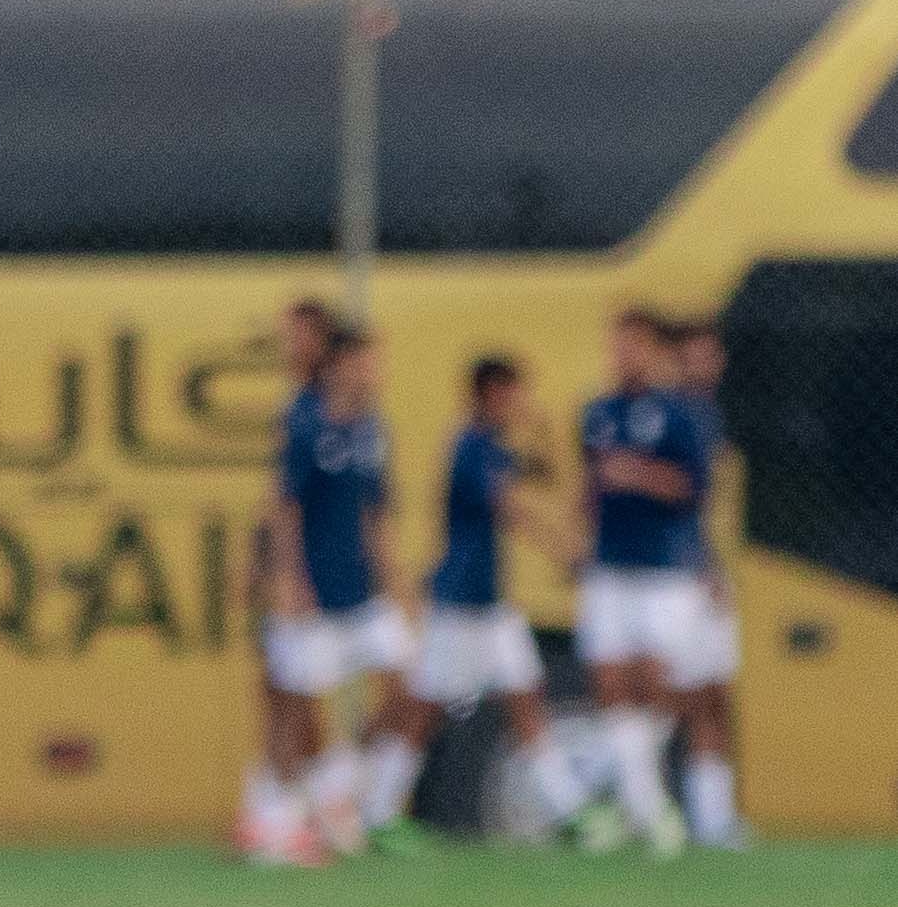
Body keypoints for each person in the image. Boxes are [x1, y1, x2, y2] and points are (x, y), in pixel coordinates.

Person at [252, 318, 413, 861]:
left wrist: (398, 582)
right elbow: (283, 506)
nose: (377, 372)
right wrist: (289, 578)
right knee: (296, 707)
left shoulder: (371, 426)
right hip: (316, 591)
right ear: (341, 365)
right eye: (369, 361)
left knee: (409, 688)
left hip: (364, 592)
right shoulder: (302, 421)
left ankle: (335, 788)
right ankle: (279, 827)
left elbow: (377, 512)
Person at [385, 352, 553, 839]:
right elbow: (509, 508)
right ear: (493, 393)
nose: (522, 403)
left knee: (525, 699)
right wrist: (567, 549)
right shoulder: (472, 445)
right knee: (422, 711)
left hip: (487, 603)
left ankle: (570, 809)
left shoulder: (489, 445)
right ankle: (377, 809)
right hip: (460, 603)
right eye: (515, 392)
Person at [566, 305, 708, 858]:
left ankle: (632, 803)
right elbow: (589, 484)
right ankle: (649, 810)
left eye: (635, 346)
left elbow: (694, 489)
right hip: (609, 567)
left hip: (663, 569)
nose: (625, 356)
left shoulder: (678, 415)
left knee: (657, 685)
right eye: (618, 345)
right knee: (610, 682)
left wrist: (639, 475)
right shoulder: (597, 412)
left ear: (653, 352)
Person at [235, 293, 335, 858]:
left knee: (295, 696)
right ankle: (271, 817)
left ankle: (289, 815)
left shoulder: (325, 413)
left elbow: (290, 503)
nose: (290, 347)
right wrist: (265, 566)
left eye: (299, 335)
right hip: (296, 578)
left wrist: (285, 572)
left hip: (316, 582)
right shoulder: (301, 409)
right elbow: (278, 499)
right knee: (281, 692)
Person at [662, 317, 751, 848]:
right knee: (677, 696)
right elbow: (684, 505)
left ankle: (713, 819)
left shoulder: (709, 416)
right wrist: (703, 566)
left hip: (710, 571)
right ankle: (625, 795)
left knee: (713, 695)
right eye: (694, 355)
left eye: (711, 354)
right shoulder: (675, 418)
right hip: (684, 576)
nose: (706, 365)